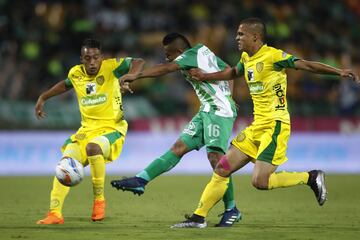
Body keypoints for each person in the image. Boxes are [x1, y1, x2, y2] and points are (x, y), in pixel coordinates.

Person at [171, 18, 360, 228]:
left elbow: (306, 65)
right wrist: (206, 77)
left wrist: (338, 72)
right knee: (222, 168)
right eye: (237, 34)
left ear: (255, 37)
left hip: (275, 125)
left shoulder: (274, 56)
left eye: (241, 34)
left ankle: (311, 177)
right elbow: (234, 72)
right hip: (257, 126)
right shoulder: (246, 58)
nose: (237, 38)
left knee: (260, 182)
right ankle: (199, 217)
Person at [110, 33, 241, 227]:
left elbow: (166, 69)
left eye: (168, 53)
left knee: (216, 159)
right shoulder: (203, 51)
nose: (166, 57)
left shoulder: (190, 54)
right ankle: (141, 180)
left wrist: (136, 75)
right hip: (206, 110)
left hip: (219, 112)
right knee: (179, 147)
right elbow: (229, 70)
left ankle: (232, 209)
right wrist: (229, 95)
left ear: (180, 52)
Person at [35, 38, 145, 224]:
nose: (92, 62)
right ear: (81, 59)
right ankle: (55, 213)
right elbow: (65, 84)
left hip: (113, 128)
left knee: (93, 148)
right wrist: (43, 97)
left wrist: (130, 76)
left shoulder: (112, 67)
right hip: (86, 130)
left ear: (101, 57)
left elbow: (139, 62)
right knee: (65, 163)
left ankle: (99, 201)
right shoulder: (76, 73)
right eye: (88, 58)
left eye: (95, 58)